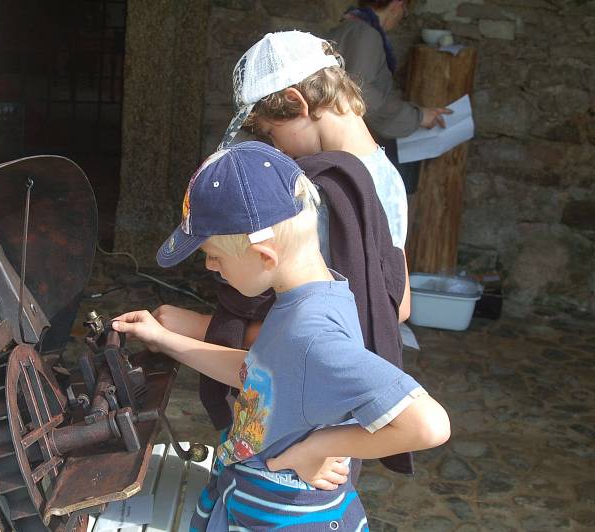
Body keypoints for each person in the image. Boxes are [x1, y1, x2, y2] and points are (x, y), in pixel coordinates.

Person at [112, 141, 451, 530]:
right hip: (253, 494)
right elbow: (263, 373)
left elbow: (428, 425)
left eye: (215, 256)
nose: (209, 266)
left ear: (264, 256)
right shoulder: (314, 296)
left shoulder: (313, 335)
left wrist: (316, 449)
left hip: (283, 515)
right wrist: (166, 340)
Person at [156, 31, 414, 475]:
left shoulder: (324, 192)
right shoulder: (386, 178)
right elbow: (398, 304)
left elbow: (334, 324)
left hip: (302, 420)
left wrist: (201, 327)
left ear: (297, 103)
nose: (273, 150)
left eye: (271, 133)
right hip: (306, 402)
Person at [327, 0, 451, 192]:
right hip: (349, 149)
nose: (402, 17)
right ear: (397, 5)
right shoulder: (366, 34)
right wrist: (417, 116)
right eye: (405, 11)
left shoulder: (343, 29)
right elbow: (361, 94)